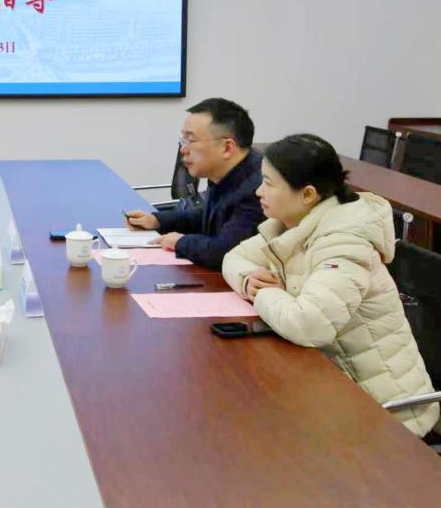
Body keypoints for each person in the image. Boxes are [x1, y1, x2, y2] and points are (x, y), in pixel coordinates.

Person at [223, 134, 438, 437]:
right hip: (336, 385)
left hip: (387, 413)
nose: (259, 191)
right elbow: (234, 258)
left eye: (269, 183)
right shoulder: (294, 223)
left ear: (307, 194)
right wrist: (248, 279)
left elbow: (309, 325)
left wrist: (264, 291)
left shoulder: (345, 242)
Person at [125, 97, 264, 269]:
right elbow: (207, 217)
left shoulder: (258, 188)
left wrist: (180, 242)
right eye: (183, 140)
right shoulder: (229, 173)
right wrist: (157, 221)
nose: (183, 149)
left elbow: (225, 253)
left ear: (227, 147)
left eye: (191, 140)